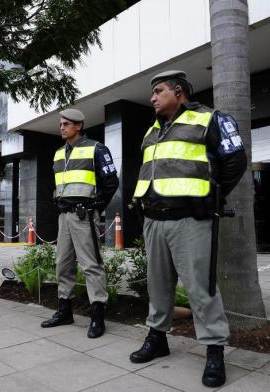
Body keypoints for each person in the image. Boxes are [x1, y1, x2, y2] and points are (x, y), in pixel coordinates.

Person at [130, 70, 247, 387]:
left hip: (191, 219)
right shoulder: (152, 130)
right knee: (157, 285)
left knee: (201, 288)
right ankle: (157, 339)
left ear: (178, 91)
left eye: (159, 91)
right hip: (154, 219)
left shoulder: (210, 118)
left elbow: (235, 160)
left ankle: (214, 351)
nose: (153, 97)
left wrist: (212, 195)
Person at [41, 108, 119, 338]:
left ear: (78, 126)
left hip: (85, 214)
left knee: (91, 265)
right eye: (61, 124)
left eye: (66, 124)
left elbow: (111, 182)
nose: (61, 127)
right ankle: (65, 311)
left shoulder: (96, 148)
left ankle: (98, 316)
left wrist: (95, 207)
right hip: (64, 216)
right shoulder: (57, 154)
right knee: (62, 264)